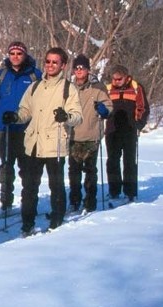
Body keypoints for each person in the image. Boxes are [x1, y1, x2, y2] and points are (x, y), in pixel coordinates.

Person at [2, 47, 82, 235]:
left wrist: (67, 116)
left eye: (55, 62)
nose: (51, 65)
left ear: (62, 65)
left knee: (56, 185)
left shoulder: (68, 88)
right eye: (48, 61)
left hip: (54, 144)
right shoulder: (35, 86)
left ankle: (57, 218)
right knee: (29, 186)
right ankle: (27, 223)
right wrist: (14, 117)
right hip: (33, 143)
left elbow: (78, 116)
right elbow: (25, 111)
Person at [0, 41, 42, 211]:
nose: (15, 57)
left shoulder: (35, 75)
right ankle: (6, 202)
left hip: (26, 129)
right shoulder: (1, 75)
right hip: (5, 129)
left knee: (27, 168)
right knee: (6, 166)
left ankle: (28, 200)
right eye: (12, 53)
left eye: (19, 54)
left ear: (25, 55)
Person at [68, 54, 113, 213]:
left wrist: (104, 110)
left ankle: (90, 201)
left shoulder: (98, 87)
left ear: (88, 70)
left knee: (90, 171)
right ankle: (74, 201)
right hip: (73, 136)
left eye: (83, 68)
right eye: (77, 68)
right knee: (74, 172)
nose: (79, 71)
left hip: (91, 135)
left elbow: (109, 106)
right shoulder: (68, 87)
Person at [105, 65, 149, 202]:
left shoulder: (136, 88)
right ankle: (114, 191)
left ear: (126, 77)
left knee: (129, 162)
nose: (116, 81)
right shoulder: (107, 89)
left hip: (130, 130)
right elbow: (102, 108)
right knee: (112, 161)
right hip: (112, 131)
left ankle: (130, 192)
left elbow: (143, 108)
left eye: (119, 79)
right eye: (114, 79)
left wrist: (139, 125)